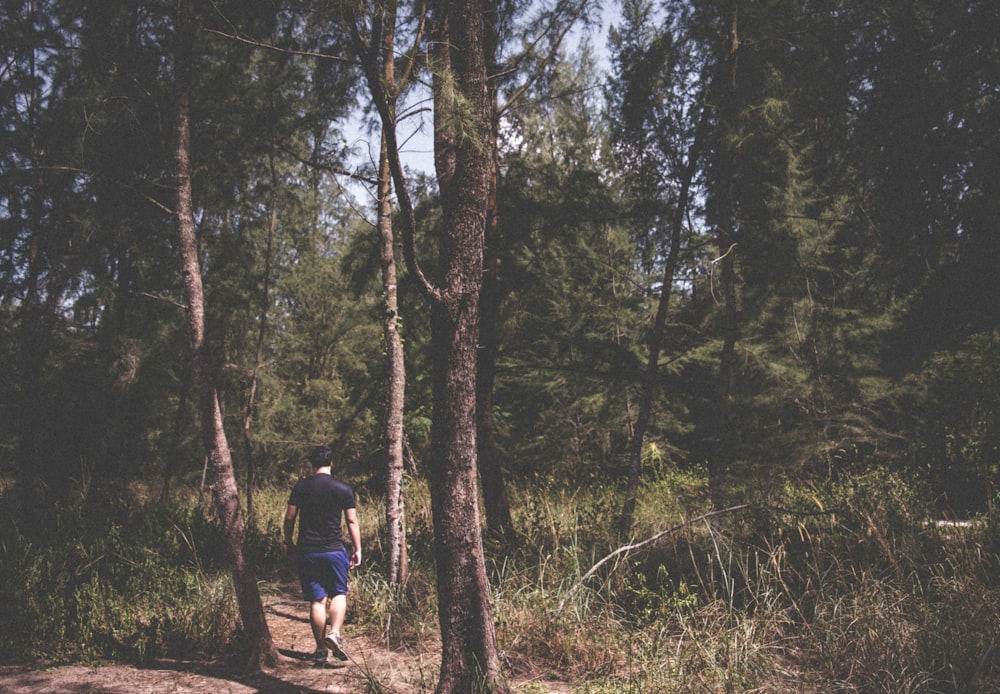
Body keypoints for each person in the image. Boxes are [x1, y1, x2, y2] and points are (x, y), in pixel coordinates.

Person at [283, 445, 361, 664]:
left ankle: (320, 649)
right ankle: (335, 633)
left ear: (312, 464)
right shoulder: (343, 488)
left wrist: (288, 542)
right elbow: (352, 521)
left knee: (317, 601)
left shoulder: (301, 486)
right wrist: (358, 549)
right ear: (331, 462)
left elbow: (290, 518)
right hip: (335, 550)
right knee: (338, 594)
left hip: (308, 550)